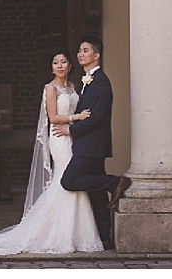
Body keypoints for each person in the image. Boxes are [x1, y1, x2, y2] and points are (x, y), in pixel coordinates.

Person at [0, 49, 104, 255]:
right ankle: (58, 234)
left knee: (72, 179)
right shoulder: (50, 88)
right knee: (68, 178)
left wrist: (76, 123)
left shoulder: (73, 86)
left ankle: (77, 233)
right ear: (51, 67)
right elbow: (53, 116)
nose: (59, 66)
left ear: (70, 66)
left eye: (63, 62)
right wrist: (77, 118)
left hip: (73, 137)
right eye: (55, 62)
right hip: (59, 138)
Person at [53, 35, 130, 249]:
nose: (80, 54)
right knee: (95, 193)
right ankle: (104, 236)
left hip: (92, 144)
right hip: (88, 143)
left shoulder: (102, 82)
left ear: (97, 55)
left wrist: (71, 129)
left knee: (69, 181)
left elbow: (98, 117)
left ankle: (115, 183)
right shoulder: (88, 80)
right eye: (79, 50)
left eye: (85, 50)